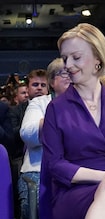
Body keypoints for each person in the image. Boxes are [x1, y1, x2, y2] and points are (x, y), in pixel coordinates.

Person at [40, 23, 105, 219]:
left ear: (98, 58)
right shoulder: (56, 108)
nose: (68, 65)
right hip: (74, 192)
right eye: (65, 58)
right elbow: (55, 165)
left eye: (76, 57)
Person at [17, 58, 71, 219]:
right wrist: (56, 117)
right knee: (40, 205)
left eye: (71, 72)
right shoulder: (39, 103)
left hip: (75, 171)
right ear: (52, 82)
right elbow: (27, 133)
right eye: (63, 72)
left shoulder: (86, 105)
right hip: (38, 169)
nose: (69, 76)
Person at [7, 68, 49, 218]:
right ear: (28, 87)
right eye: (35, 84)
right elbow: (14, 136)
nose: (39, 88)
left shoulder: (50, 103)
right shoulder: (15, 110)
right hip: (21, 157)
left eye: (43, 85)